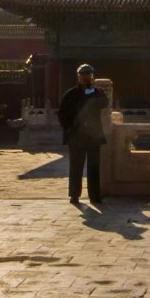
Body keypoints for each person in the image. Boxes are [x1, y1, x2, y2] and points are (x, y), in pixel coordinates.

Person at [57, 64, 108, 205]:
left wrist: (91, 91)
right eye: (83, 75)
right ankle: (74, 195)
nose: (85, 77)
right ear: (78, 76)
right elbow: (62, 114)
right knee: (76, 167)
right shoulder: (70, 94)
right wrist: (69, 129)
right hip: (76, 137)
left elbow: (103, 103)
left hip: (93, 136)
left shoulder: (97, 93)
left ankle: (95, 196)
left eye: (88, 75)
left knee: (94, 167)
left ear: (92, 76)